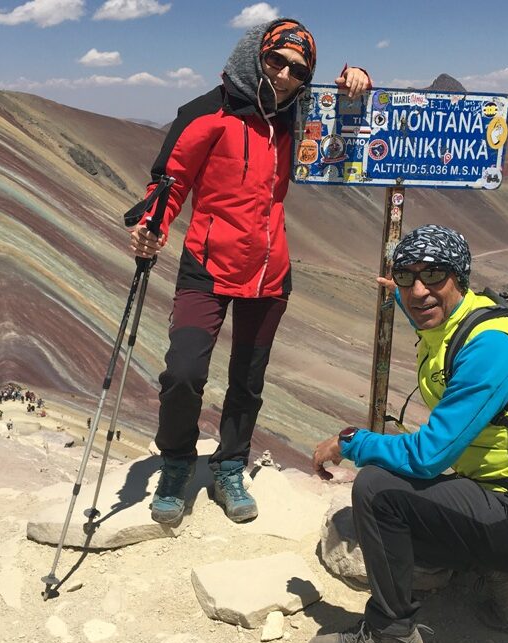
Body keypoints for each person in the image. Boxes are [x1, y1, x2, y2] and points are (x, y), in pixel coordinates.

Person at [306, 225, 508, 643]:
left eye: (435, 275)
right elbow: (420, 298)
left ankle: (391, 640)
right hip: (504, 493)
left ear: (461, 277)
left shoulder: (490, 347)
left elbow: (429, 455)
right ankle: (479, 572)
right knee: (400, 508)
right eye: (406, 277)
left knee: (378, 490)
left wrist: (350, 442)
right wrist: (400, 292)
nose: (419, 291)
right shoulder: (455, 318)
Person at [129, 18, 371, 525]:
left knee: (248, 379)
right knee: (183, 373)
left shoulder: (296, 115)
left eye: (298, 70)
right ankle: (176, 462)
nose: (284, 75)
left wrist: (359, 78)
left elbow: (345, 111)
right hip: (207, 266)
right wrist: (153, 224)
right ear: (255, 55)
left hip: (268, 272)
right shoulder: (204, 113)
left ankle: (230, 465)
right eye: (275, 61)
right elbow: (170, 181)